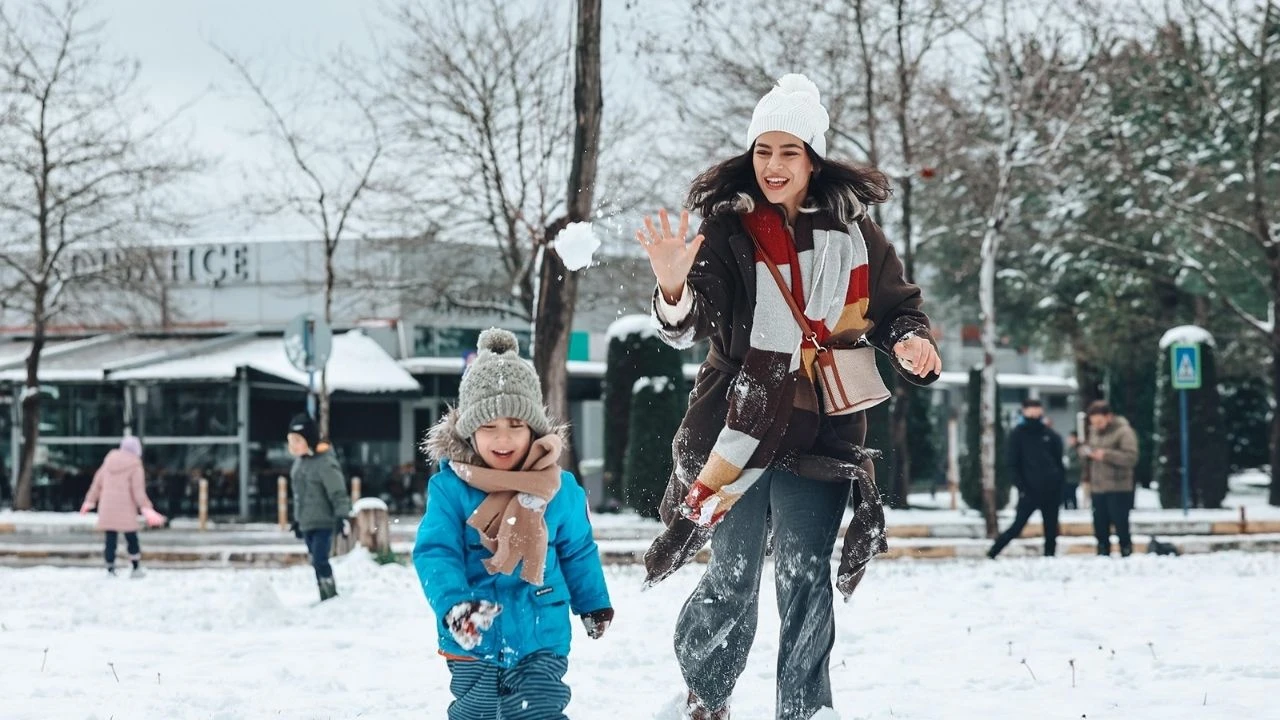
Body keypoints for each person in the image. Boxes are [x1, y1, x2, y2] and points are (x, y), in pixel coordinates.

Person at [636, 74, 941, 720]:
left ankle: (806, 711)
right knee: (734, 577)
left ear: (813, 158)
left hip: (821, 434)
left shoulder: (856, 236)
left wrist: (912, 340)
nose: (772, 166)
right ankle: (703, 699)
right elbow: (692, 322)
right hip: (735, 429)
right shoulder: (729, 231)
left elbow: (894, 308)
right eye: (763, 151)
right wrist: (671, 289)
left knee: (805, 583)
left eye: (788, 151)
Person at [415, 328, 612, 720]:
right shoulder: (450, 489)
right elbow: (436, 552)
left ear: (535, 430)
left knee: (539, 711)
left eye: (515, 426)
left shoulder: (560, 489)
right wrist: (455, 605)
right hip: (472, 633)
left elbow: (577, 550)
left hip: (541, 631)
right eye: (488, 426)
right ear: (470, 431)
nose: (502, 439)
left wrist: (593, 601)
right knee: (477, 714)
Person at [987, 399, 1065, 558]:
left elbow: (1058, 462)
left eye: (1037, 408)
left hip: (1051, 489)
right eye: (1030, 408)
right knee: (1017, 525)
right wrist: (1021, 487)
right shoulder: (1017, 435)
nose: (1034, 411)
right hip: (1029, 490)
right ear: (1024, 410)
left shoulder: (1050, 435)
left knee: (1051, 527)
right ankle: (994, 551)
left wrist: (1059, 485)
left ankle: (1050, 555)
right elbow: (1012, 463)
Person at [79, 436, 166, 577]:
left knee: (110, 537)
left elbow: (97, 484)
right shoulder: (135, 466)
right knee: (131, 536)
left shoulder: (108, 462)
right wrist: (146, 507)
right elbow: (138, 491)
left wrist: (89, 501)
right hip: (126, 507)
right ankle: (135, 567)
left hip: (107, 505)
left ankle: (110, 568)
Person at [287, 412, 351, 601]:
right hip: (307, 522)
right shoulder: (299, 465)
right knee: (314, 560)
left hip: (324, 522)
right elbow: (299, 496)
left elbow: (337, 492)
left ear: (308, 440)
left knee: (320, 559)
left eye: (298, 440)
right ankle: (322, 591)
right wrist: (297, 520)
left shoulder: (325, 463)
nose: (293, 446)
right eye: (291, 441)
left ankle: (330, 594)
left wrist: (342, 516)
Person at [1081, 400, 1139, 556]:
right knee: (1100, 524)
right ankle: (1102, 551)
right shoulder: (1093, 432)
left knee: (1121, 523)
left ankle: (1126, 551)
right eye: (1094, 422)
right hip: (1098, 486)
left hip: (1118, 486)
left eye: (1100, 421)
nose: (1097, 425)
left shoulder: (1124, 432)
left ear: (1109, 417)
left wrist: (1106, 455)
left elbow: (1131, 457)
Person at [1063, 431, 1082, 509]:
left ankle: (1075, 510)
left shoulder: (1079, 449)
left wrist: (1068, 466)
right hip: (1066, 477)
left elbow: (1080, 464)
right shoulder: (1067, 449)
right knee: (1065, 496)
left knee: (1072, 495)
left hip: (1074, 477)